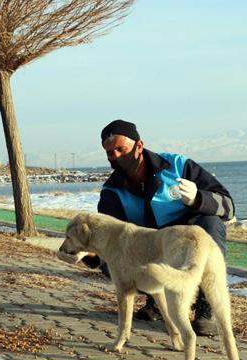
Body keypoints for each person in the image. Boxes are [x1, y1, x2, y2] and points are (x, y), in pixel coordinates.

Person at [84, 119, 235, 336]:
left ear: (139, 146)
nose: (115, 156)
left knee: (211, 223)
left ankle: (205, 307)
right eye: (109, 153)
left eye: (120, 149)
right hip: (150, 249)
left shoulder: (178, 165)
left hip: (187, 243)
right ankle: (155, 299)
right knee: (112, 264)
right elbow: (110, 238)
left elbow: (228, 206)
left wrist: (198, 199)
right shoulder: (112, 191)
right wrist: (90, 254)